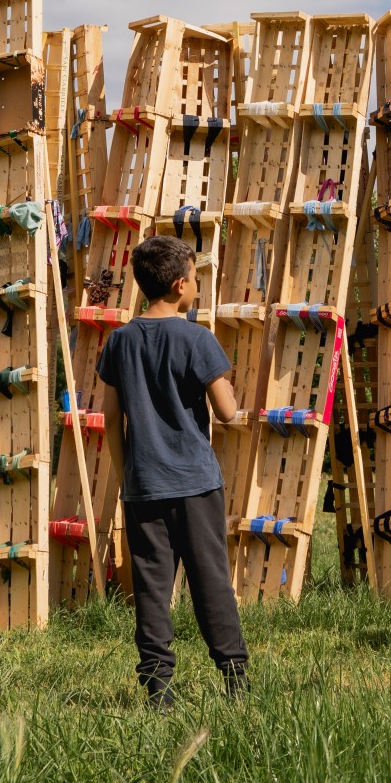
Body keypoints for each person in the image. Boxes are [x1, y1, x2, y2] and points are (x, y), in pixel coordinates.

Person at [97, 234, 249, 706]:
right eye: (197, 279)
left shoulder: (120, 341)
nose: (198, 287)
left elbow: (110, 420)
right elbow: (226, 413)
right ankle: (235, 679)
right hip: (196, 485)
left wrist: (127, 481)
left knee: (151, 587)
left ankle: (158, 689)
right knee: (211, 581)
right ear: (180, 285)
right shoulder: (198, 338)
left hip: (143, 486)